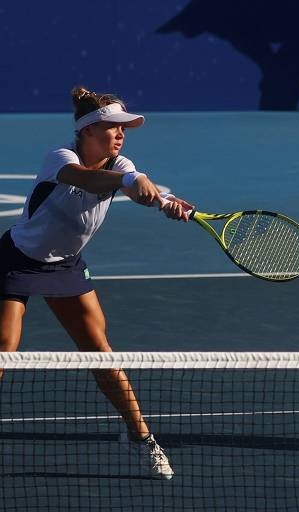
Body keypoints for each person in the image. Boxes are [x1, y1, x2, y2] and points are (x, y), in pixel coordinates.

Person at [0, 86, 193, 479]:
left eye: (125, 129)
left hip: (67, 267)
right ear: (87, 130)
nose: (120, 134)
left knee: (101, 354)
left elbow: (137, 181)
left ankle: (141, 438)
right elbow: (84, 180)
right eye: (112, 127)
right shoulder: (61, 158)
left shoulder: (124, 164)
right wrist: (128, 183)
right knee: (4, 350)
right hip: (16, 260)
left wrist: (164, 204)